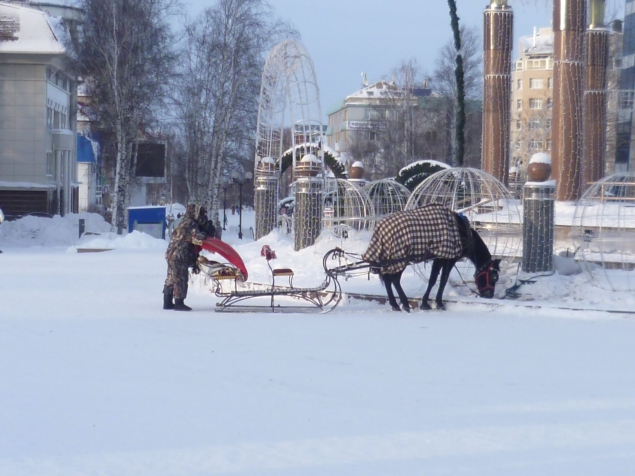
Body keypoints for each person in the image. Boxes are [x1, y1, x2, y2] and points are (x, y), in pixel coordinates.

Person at [163, 204, 208, 311]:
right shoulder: (190, 224)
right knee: (180, 278)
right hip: (180, 255)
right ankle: (179, 302)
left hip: (171, 254)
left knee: (171, 277)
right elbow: (197, 238)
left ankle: (167, 302)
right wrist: (205, 234)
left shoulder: (183, 222)